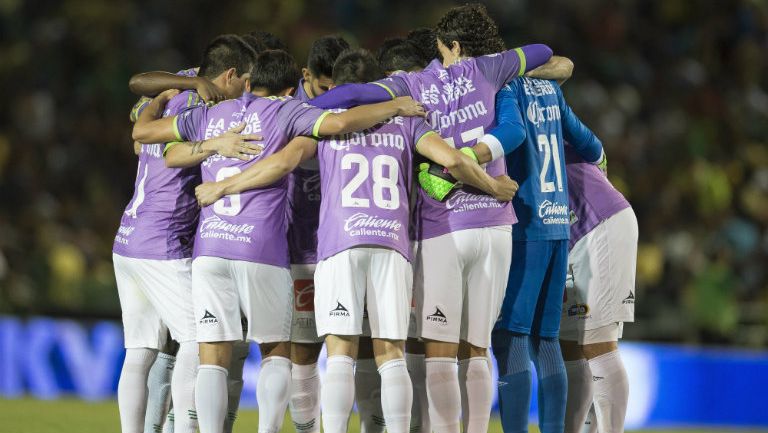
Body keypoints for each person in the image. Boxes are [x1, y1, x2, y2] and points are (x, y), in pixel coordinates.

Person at [193, 48, 519, 433]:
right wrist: (493, 185)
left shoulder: (326, 124)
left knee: (341, 356)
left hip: (339, 244)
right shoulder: (408, 122)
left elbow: (282, 163)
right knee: (391, 354)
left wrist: (223, 186)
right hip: (391, 246)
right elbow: (455, 161)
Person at [132, 48, 426, 433]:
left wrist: (208, 144)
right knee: (275, 351)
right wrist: (394, 106)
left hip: (210, 248)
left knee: (211, 356)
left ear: (249, 81)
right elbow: (338, 124)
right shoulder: (287, 112)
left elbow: (147, 137)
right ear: (290, 88)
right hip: (261, 250)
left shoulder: (210, 114)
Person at [308, 6, 566, 432]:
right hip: (496, 223)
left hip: (445, 225)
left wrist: (393, 102)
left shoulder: (411, 82)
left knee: (442, 352)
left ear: (452, 46)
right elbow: (543, 50)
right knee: (478, 349)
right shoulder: (493, 70)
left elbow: (339, 99)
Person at [114, 34, 256, 433]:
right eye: (244, 80)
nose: (246, 89)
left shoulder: (172, 87)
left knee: (140, 351)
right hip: (162, 239)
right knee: (198, 340)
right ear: (229, 74)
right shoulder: (212, 107)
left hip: (127, 237)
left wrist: (173, 93)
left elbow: (139, 105)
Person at [458, 73, 603, 432]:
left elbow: (513, 131)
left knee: (512, 335)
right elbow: (591, 145)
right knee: (547, 338)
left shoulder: (507, 88)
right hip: (558, 224)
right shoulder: (552, 90)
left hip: (527, 223)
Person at [286, 35, 351, 433]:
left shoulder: (356, 105)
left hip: (342, 241)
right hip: (294, 245)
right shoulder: (285, 109)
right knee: (303, 350)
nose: (333, 97)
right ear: (306, 75)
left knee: (352, 348)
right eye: (325, 89)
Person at [559, 146, 636, 433]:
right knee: (569, 345)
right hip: (567, 237)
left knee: (596, 344)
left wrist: (598, 150)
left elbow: (585, 137)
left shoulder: (532, 113)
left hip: (597, 223)